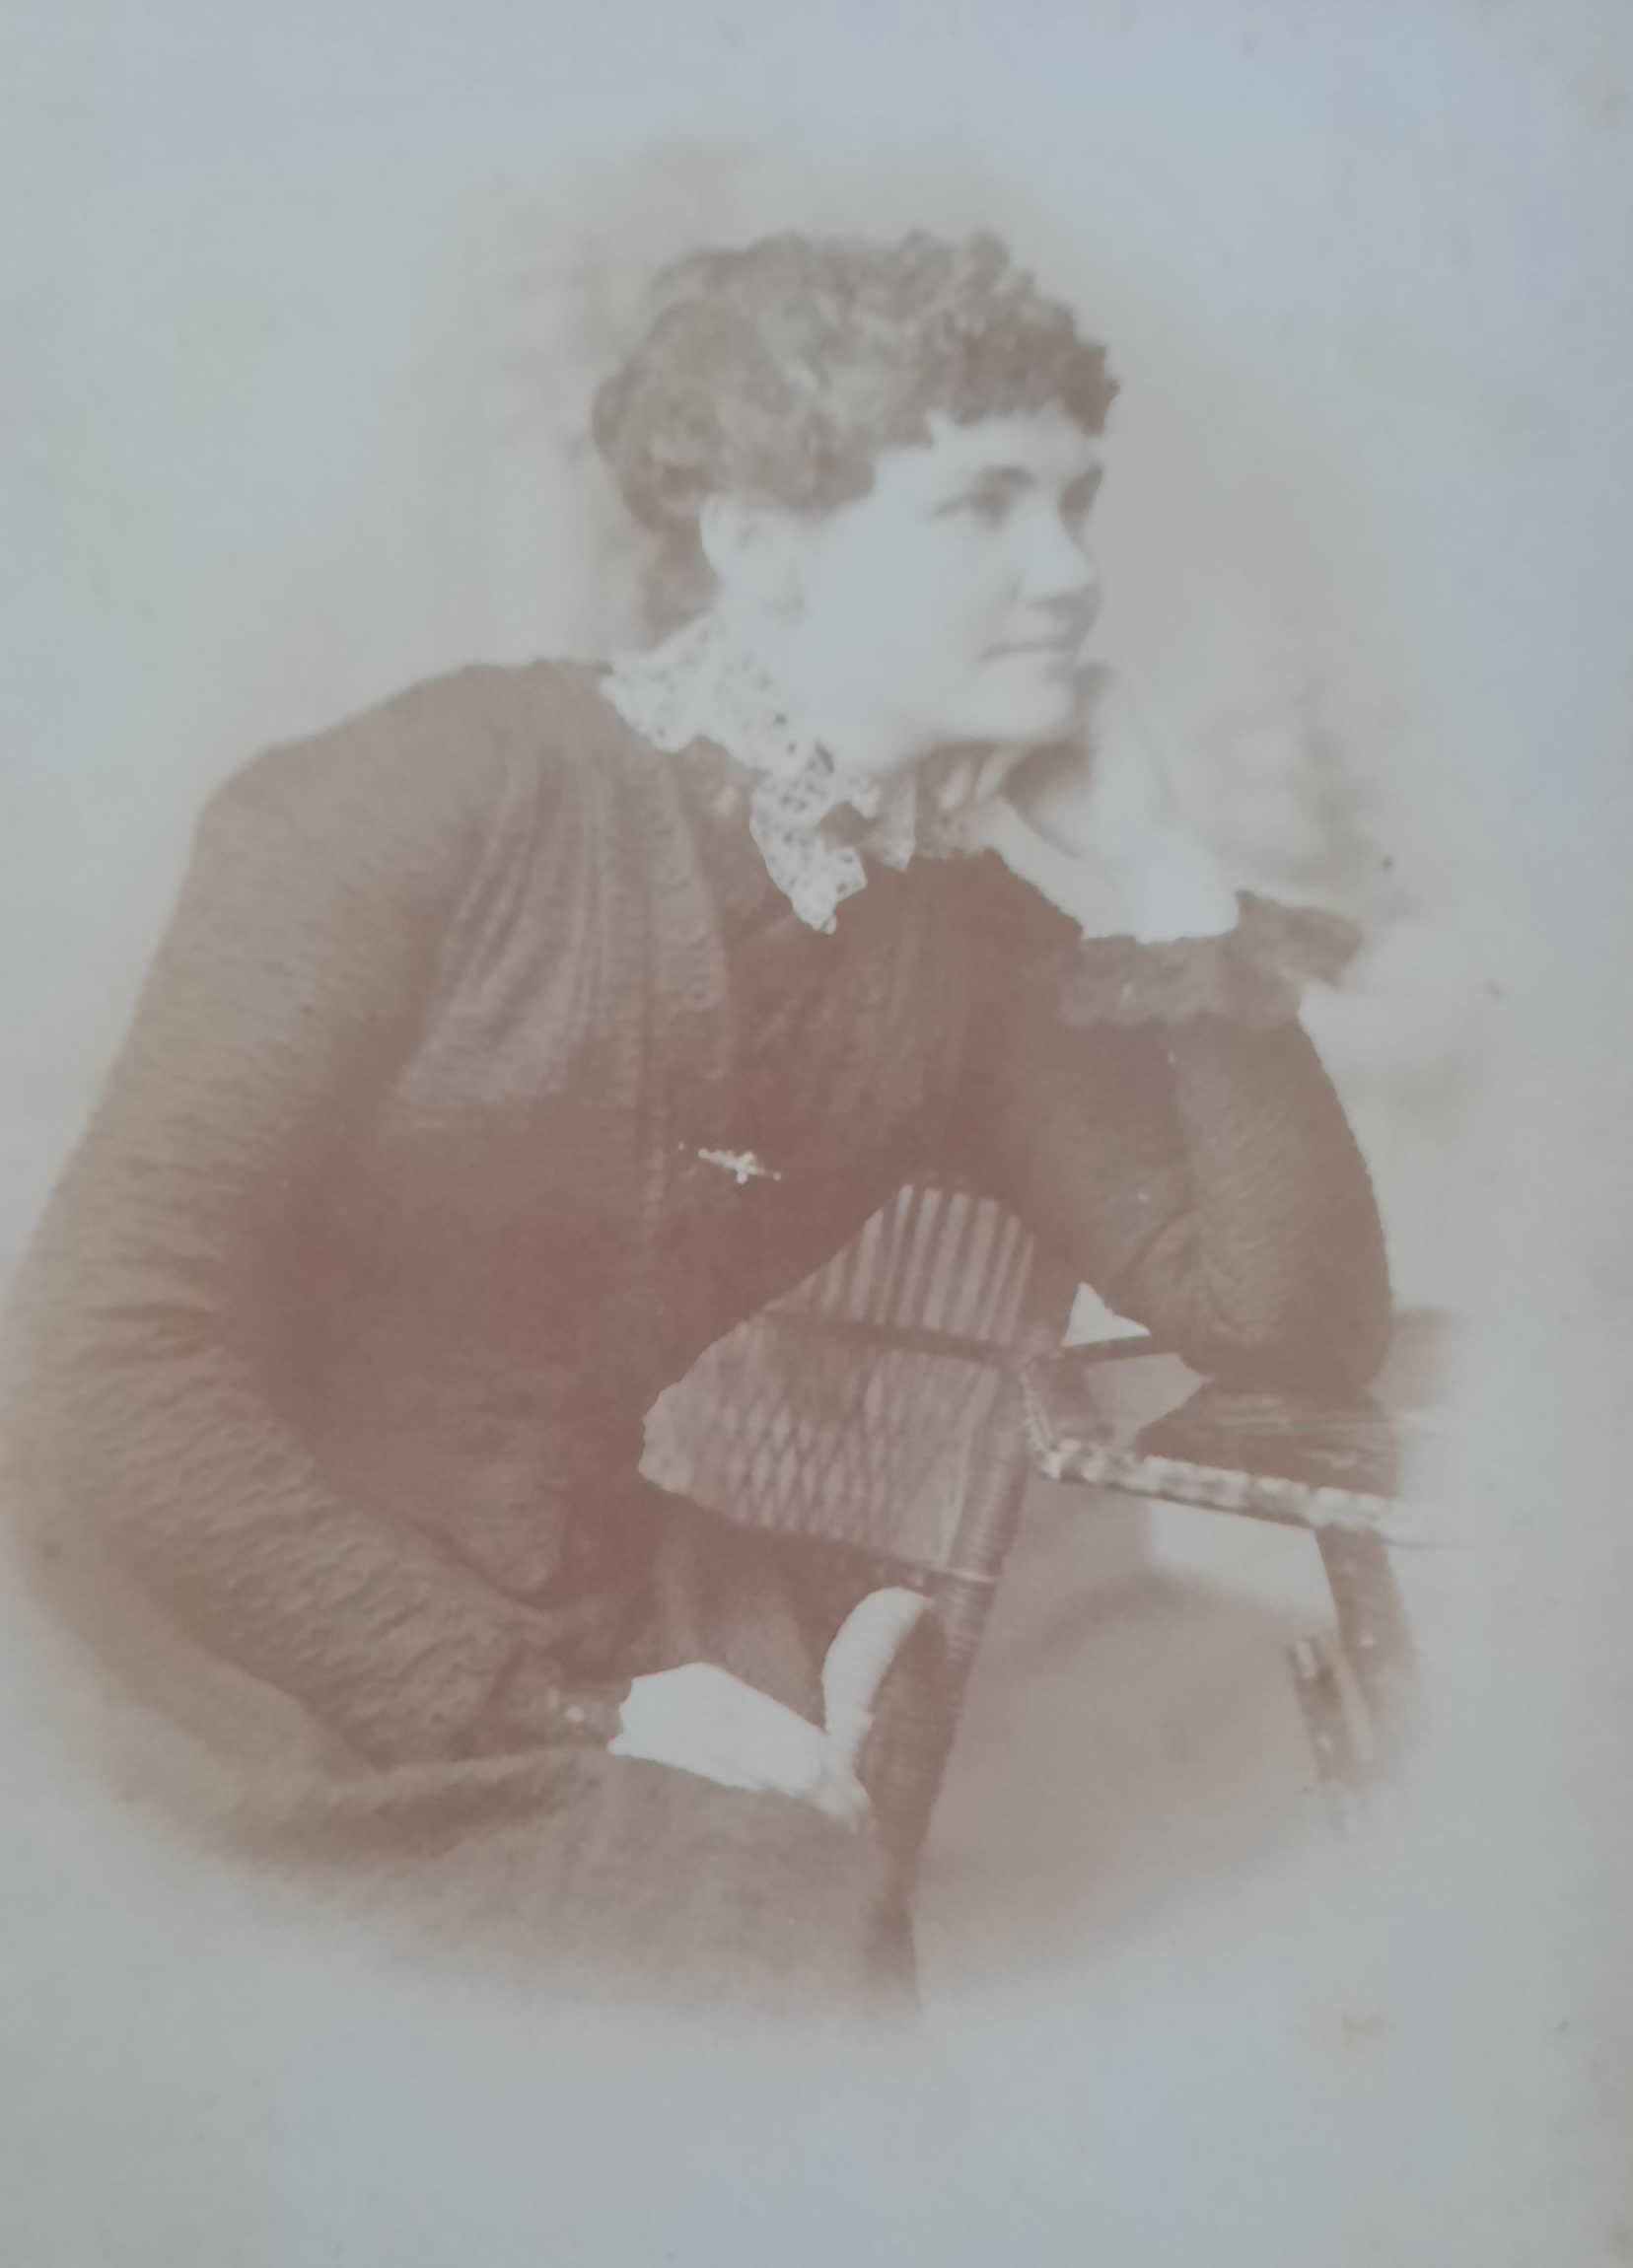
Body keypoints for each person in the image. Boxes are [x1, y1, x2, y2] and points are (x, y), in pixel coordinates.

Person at [3, 231, 1390, 2020]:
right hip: (181, 1626)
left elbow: (1289, 1320)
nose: (1065, 572)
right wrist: (557, 1706)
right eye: (982, 506)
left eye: (1074, 504)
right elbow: (98, 1365)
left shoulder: (961, 948)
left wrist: (1168, 871)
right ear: (760, 545)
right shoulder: (432, 794)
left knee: (756, 1924)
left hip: (573, 1605)